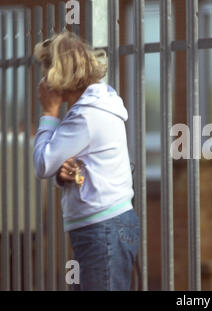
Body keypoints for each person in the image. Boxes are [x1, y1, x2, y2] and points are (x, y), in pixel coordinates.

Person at [33, 31, 139, 291]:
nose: (44, 79)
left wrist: (49, 113)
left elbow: (43, 163)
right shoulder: (101, 103)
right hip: (107, 226)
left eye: (48, 69)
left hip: (101, 230)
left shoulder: (85, 116)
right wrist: (64, 174)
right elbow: (74, 166)